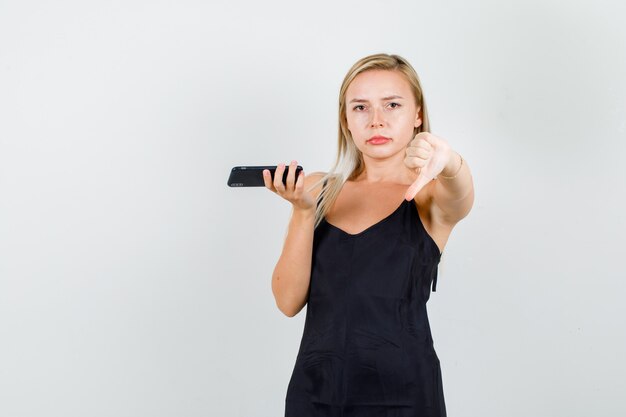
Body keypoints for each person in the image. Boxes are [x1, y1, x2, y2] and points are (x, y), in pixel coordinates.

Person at [263, 53, 474, 417]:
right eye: (360, 107)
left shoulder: (429, 193)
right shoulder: (317, 189)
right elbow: (287, 301)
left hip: (406, 397)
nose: (377, 120)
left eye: (392, 104)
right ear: (346, 119)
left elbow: (462, 196)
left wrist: (450, 161)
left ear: (417, 114)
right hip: (316, 396)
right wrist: (302, 211)